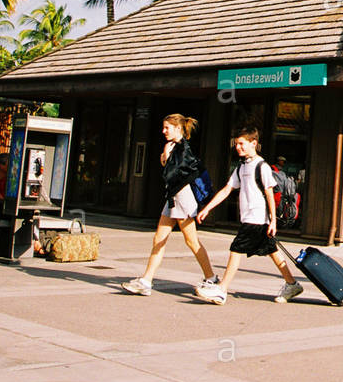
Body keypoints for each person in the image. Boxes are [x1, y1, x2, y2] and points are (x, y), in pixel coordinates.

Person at [192, 127, 303, 305]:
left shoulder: (262, 166)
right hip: (251, 218)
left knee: (236, 249)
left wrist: (273, 221)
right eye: (236, 144)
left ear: (253, 143)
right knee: (271, 250)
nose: (238, 147)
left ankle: (221, 290)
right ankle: (292, 284)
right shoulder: (242, 166)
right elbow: (228, 189)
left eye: (242, 144)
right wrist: (208, 208)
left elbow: (269, 194)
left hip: (257, 218)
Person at [122, 114, 217, 296]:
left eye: (167, 128)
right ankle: (146, 280)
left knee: (191, 240)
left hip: (183, 199)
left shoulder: (183, 149)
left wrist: (165, 158)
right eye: (164, 127)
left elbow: (172, 174)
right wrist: (166, 157)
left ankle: (211, 278)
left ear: (178, 129)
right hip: (174, 198)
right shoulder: (173, 146)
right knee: (159, 238)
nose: (164, 131)